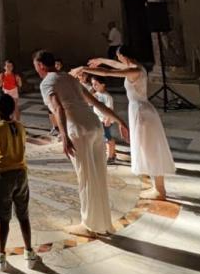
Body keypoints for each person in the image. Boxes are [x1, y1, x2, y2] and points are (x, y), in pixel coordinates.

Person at [34, 50, 126, 237]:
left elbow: (58, 108)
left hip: (78, 129)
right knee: (98, 174)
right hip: (94, 125)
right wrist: (120, 121)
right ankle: (103, 222)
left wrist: (64, 137)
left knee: (85, 177)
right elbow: (96, 103)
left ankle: (89, 224)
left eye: (36, 66)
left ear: (41, 66)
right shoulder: (70, 79)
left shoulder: (47, 83)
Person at [87, 52, 175, 200]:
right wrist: (100, 60)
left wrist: (83, 69)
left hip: (141, 112)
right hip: (139, 109)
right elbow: (113, 65)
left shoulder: (135, 71)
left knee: (150, 149)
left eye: (119, 57)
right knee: (146, 149)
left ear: (125, 56)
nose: (118, 60)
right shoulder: (136, 66)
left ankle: (160, 190)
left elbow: (107, 72)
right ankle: (157, 188)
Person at [0, 93, 39, 271]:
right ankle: (29, 252)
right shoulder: (21, 127)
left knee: (4, 218)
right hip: (21, 174)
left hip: (3, 176)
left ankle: (1, 255)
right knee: (23, 215)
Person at [87, 75, 118, 165]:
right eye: (92, 84)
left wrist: (107, 119)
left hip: (105, 121)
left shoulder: (107, 97)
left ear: (103, 85)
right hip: (97, 120)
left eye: (96, 84)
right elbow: (89, 104)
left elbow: (110, 110)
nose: (94, 86)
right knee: (100, 138)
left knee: (108, 138)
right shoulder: (95, 95)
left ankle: (111, 156)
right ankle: (110, 153)